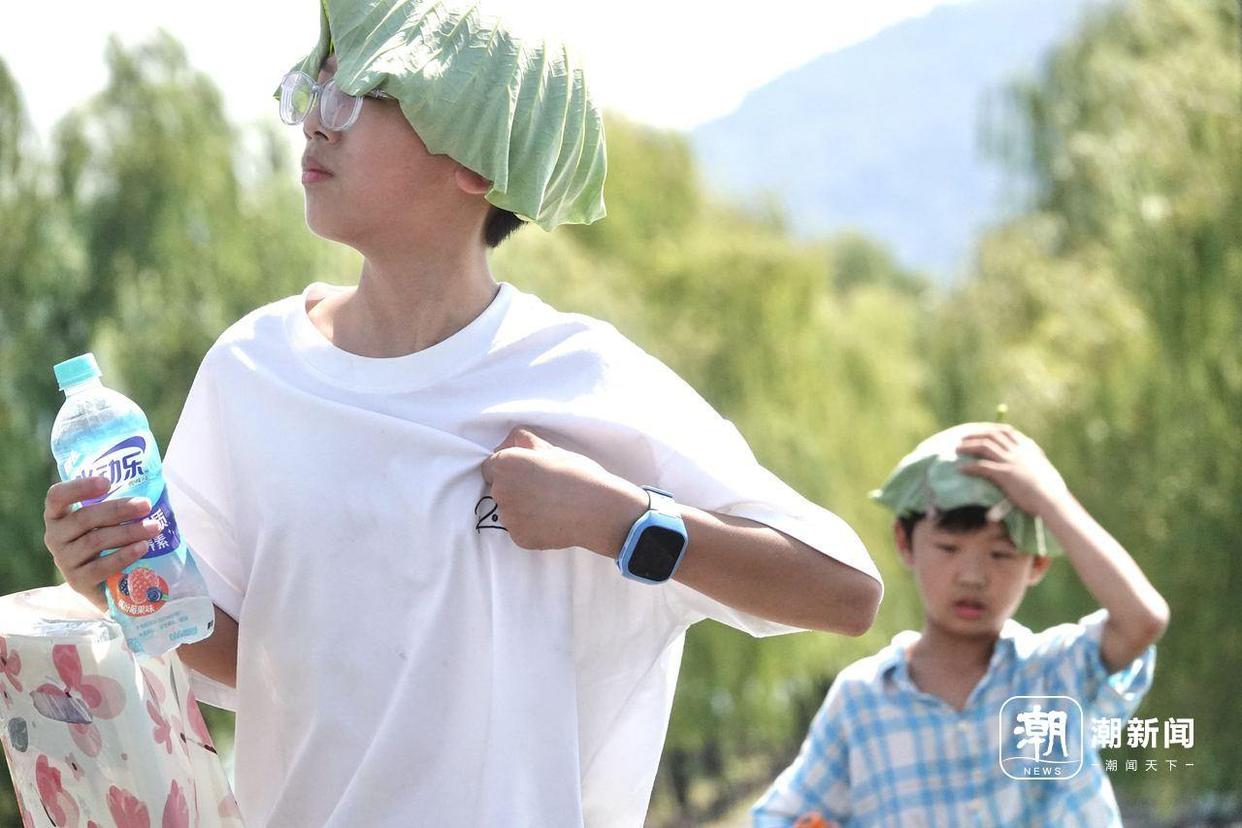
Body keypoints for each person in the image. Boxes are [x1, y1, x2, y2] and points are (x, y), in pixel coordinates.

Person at [39, 2, 883, 824]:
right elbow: (256, 663)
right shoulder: (253, 370)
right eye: (313, 89)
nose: (316, 123)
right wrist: (117, 581)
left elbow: (844, 594)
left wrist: (623, 520)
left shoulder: (585, 378)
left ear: (477, 159)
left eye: (354, 96)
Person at [751, 422, 1169, 827]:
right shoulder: (862, 699)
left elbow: (1142, 620)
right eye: (949, 547)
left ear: (1038, 563)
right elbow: (778, 816)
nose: (972, 577)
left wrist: (1049, 499)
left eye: (1001, 554)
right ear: (904, 542)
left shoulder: (1055, 672)